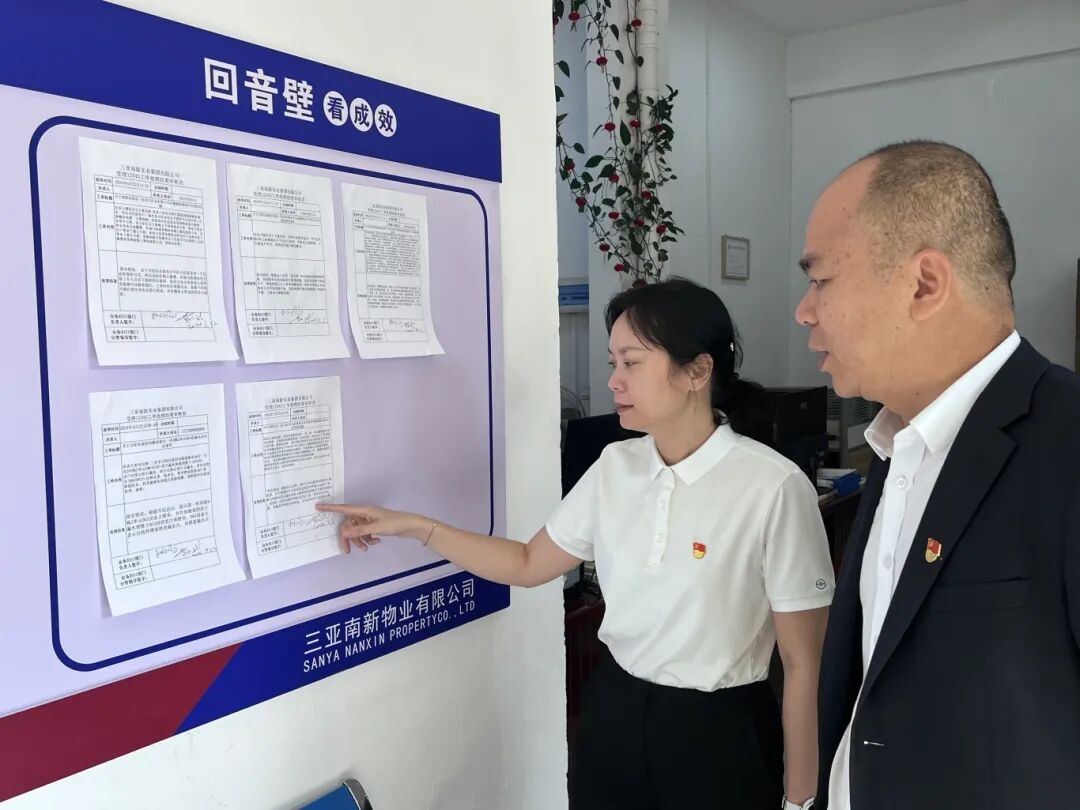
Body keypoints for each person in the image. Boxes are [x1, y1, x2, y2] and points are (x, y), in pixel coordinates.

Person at [320, 277, 834, 810]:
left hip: (718, 734)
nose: (614, 380)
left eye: (631, 363)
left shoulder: (773, 487)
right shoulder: (616, 466)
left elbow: (803, 664)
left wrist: (800, 801)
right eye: (613, 362)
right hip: (614, 715)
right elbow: (527, 562)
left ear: (696, 372)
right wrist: (416, 527)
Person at [795, 140, 1080, 809]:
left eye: (820, 279)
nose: (804, 310)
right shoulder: (897, 447)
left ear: (924, 284)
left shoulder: (1067, 445)